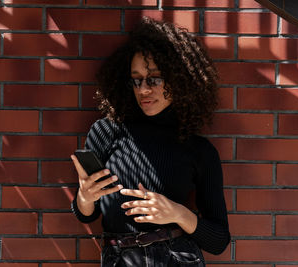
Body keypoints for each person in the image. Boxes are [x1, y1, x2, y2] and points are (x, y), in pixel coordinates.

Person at [71, 17, 230, 266]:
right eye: (137, 80)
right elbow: (85, 214)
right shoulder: (106, 131)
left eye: (154, 79)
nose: (143, 89)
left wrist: (177, 213)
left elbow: (219, 240)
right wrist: (85, 196)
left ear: (179, 81)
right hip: (121, 259)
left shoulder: (198, 150)